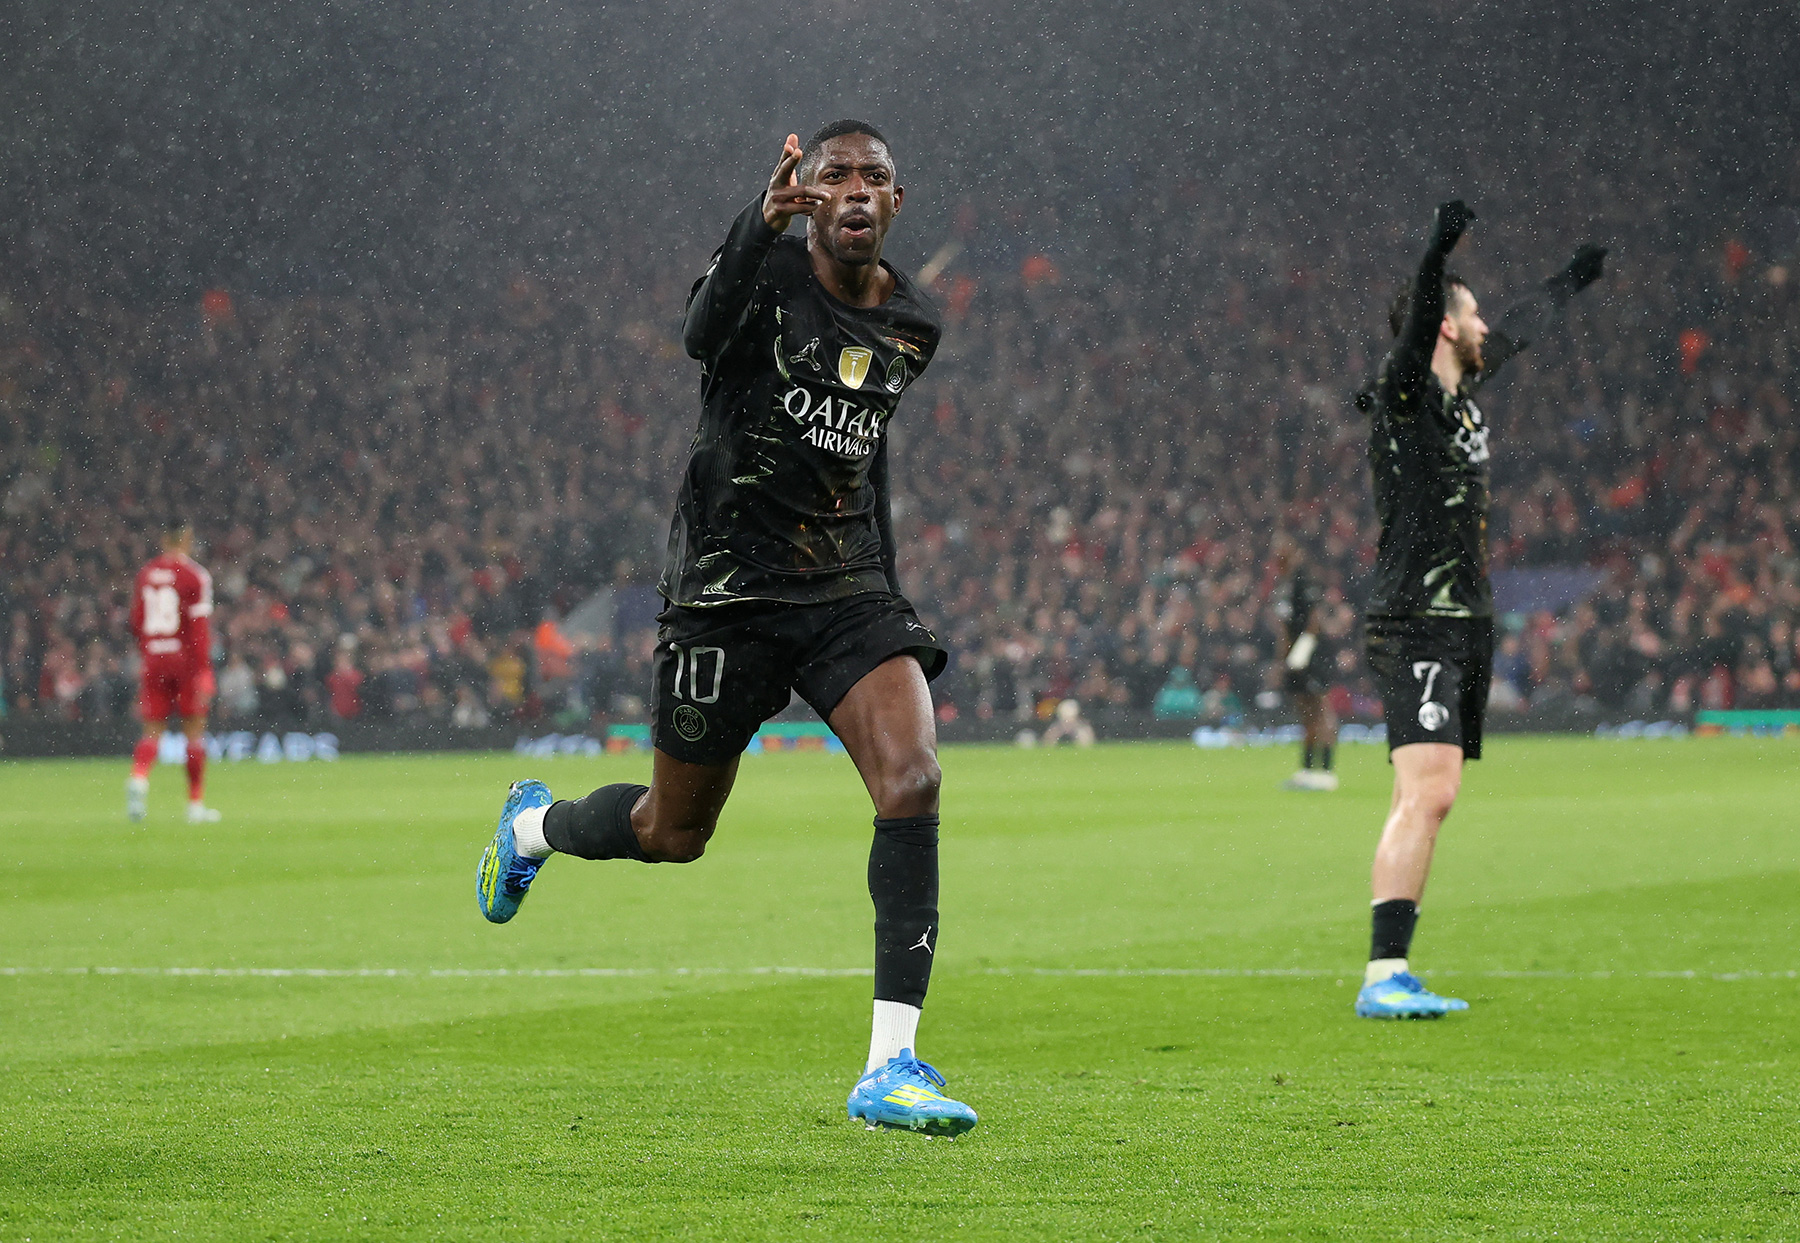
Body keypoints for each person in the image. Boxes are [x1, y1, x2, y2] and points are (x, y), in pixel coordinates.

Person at [475, 122, 976, 1135]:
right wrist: (756, 221)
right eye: (835, 175)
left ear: (897, 201)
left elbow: (863, 453)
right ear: (808, 192)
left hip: (843, 589)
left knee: (914, 777)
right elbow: (701, 337)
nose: (854, 192)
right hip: (725, 591)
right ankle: (533, 826)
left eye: (874, 179)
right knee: (674, 831)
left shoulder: (915, 320)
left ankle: (892, 1064)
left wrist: (886, 586)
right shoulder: (770, 274)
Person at [1353, 201, 1604, 1019]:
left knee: (1431, 793)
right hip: (1416, 615)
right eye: (1471, 310)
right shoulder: (1406, 394)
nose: (1484, 321)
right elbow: (1421, 317)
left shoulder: (1463, 393)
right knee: (1427, 792)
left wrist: (1569, 281)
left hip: (1463, 618)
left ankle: (1392, 967)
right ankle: (1383, 973)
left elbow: (1520, 329)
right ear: (1443, 326)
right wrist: (1434, 253)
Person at [126, 520, 221, 823]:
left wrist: (151, 650)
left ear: (163, 538)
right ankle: (195, 806)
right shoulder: (195, 576)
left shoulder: (146, 574)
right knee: (193, 732)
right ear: (188, 538)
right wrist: (203, 671)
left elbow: (137, 622)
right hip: (185, 662)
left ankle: (139, 779)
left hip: (153, 658)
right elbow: (199, 630)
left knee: (152, 730)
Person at [1274, 541, 1338, 791]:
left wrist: (1302, 653)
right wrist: (1286, 659)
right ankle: (1307, 770)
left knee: (1321, 710)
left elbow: (1314, 620)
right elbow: (1284, 628)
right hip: (1295, 659)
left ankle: (1327, 771)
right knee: (1306, 712)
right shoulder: (1285, 584)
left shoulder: (1304, 580)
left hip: (1312, 656)